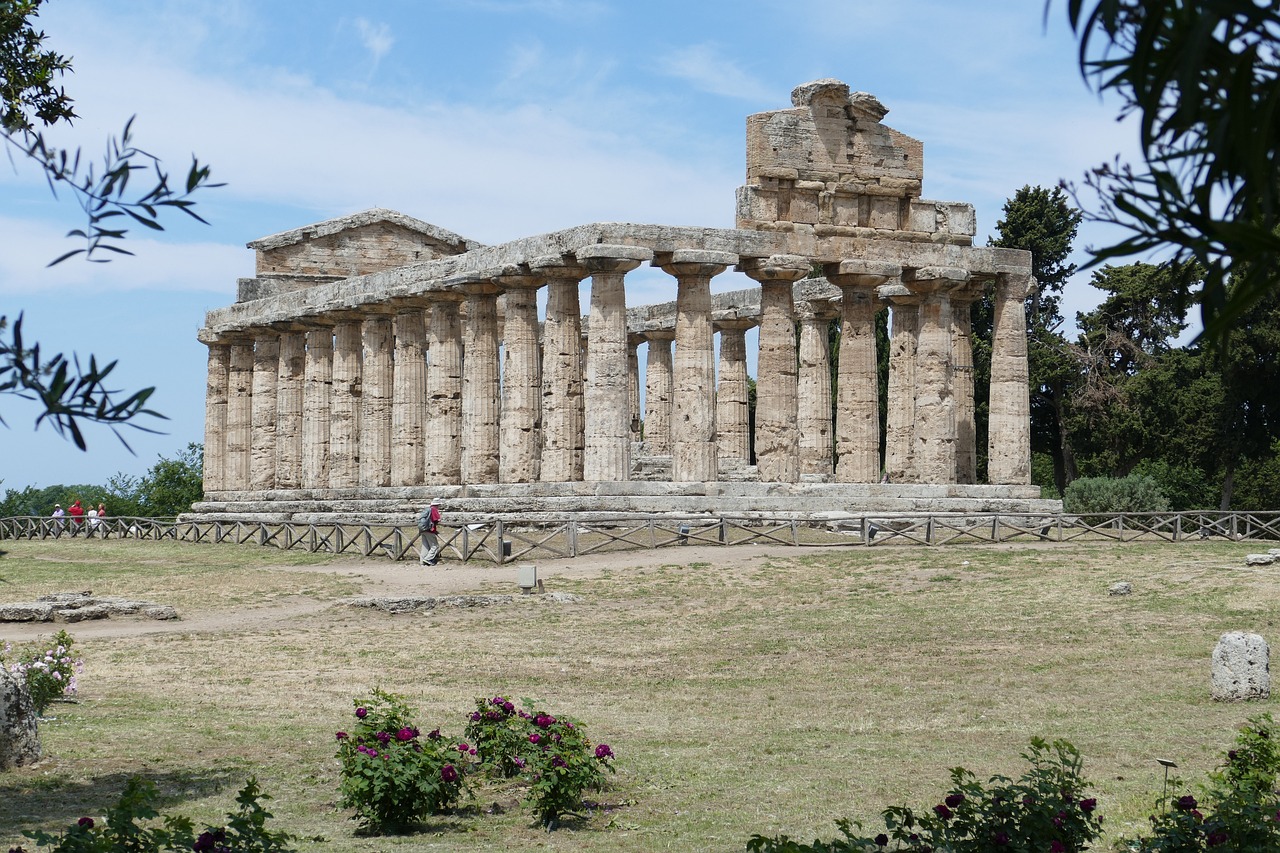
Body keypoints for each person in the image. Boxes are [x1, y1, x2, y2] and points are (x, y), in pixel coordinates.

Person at [417, 499, 442, 566]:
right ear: (437, 505)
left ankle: (422, 561)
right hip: (429, 530)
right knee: (435, 546)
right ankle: (428, 559)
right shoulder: (434, 509)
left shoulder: (427, 509)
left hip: (423, 530)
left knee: (425, 546)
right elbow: (437, 519)